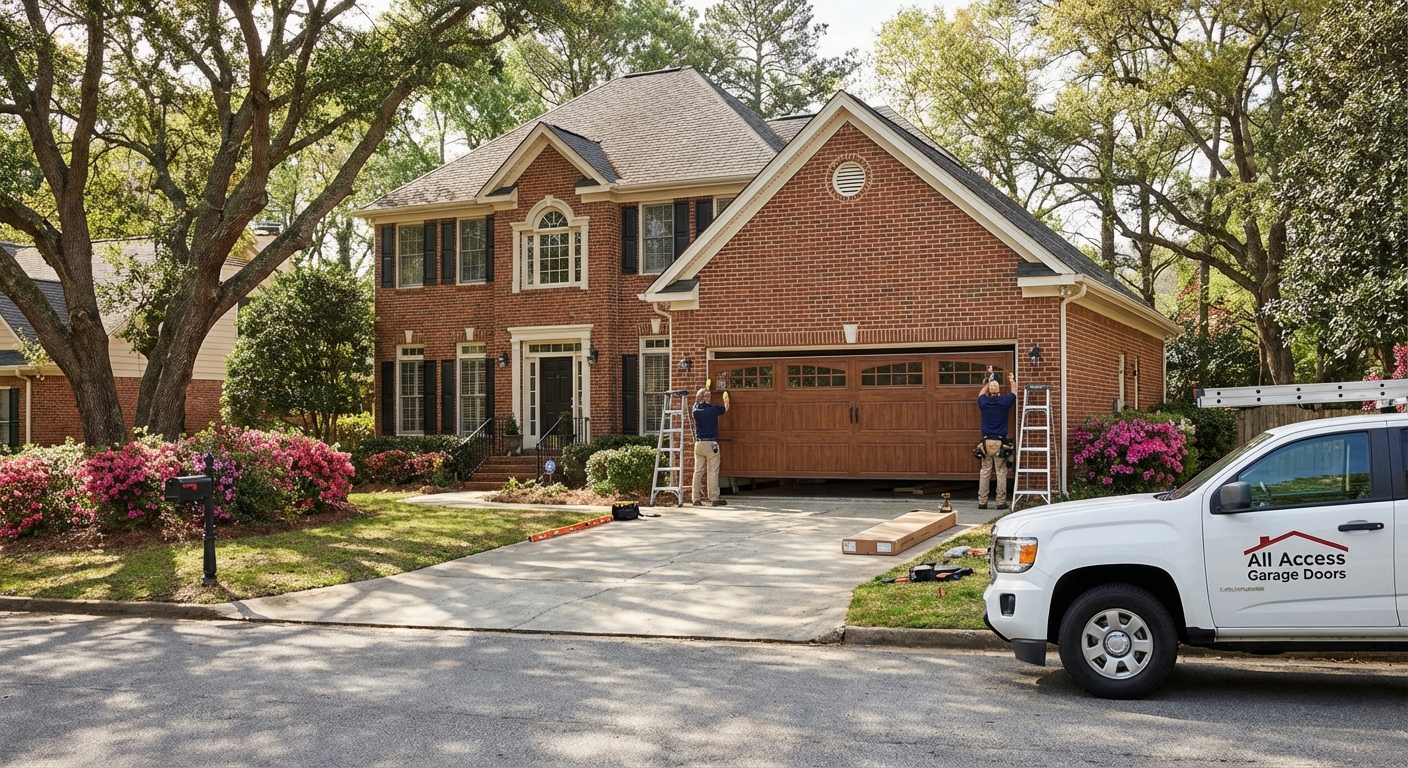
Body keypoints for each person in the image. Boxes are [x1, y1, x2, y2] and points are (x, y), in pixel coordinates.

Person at [977, 366, 1018, 510]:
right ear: (999, 391)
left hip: (986, 442)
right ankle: (1000, 502)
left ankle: (982, 501)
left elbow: (981, 393)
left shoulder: (983, 402)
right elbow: (1014, 392)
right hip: (1000, 442)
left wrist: (989, 380)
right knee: (1001, 472)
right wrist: (1011, 379)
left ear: (989, 391)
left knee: (985, 471)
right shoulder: (1004, 402)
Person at [691, 387, 730, 506]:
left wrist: (704, 391)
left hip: (699, 444)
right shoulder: (713, 409)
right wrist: (726, 399)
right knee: (712, 471)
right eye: (708, 396)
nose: (710, 397)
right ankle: (713, 497)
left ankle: (695, 498)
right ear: (706, 398)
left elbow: (697, 401)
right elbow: (726, 408)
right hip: (711, 444)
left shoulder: (695, 410)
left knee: (698, 471)